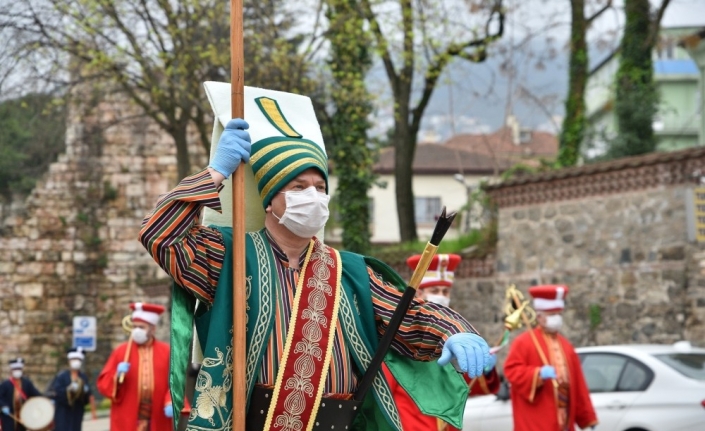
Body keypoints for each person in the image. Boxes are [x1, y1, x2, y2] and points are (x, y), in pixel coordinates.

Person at [138, 114, 492, 430]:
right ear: (270, 200)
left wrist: (452, 331)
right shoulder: (229, 254)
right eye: (298, 187)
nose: (314, 196)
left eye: (320, 188)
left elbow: (408, 316)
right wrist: (215, 173)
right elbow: (160, 235)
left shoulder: (350, 271)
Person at [382, 254, 500, 431]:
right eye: (435, 291)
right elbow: (384, 391)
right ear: (419, 293)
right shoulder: (400, 332)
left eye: (445, 292)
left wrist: (482, 370)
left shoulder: (457, 332)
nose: (442, 297)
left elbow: (464, 388)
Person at [504, 285, 598, 431]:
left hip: (564, 419)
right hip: (536, 419)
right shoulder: (523, 343)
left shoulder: (566, 346)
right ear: (540, 317)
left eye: (559, 314)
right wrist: (537, 374)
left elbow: (578, 385)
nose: (557, 318)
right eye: (552, 314)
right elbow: (511, 371)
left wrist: (587, 418)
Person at [96, 302, 173, 431]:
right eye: (134, 327)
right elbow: (103, 383)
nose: (136, 331)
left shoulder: (167, 352)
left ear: (152, 329)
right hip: (128, 416)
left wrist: (171, 400)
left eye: (141, 327)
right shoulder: (121, 352)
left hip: (157, 416)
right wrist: (116, 376)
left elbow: (176, 382)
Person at [48, 347, 97, 431]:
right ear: (69, 361)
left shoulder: (83, 377)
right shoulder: (62, 376)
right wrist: (69, 390)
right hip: (63, 413)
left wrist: (85, 392)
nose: (76, 361)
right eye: (74, 359)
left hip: (77, 412)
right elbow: (56, 393)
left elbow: (87, 397)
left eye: (78, 359)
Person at [0, 358, 42, 431]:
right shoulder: (5, 384)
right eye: (15, 369)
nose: (17, 371)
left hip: (24, 416)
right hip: (10, 416)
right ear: (11, 371)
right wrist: (3, 405)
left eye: (19, 369)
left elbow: (36, 394)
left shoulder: (27, 383)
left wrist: (46, 399)